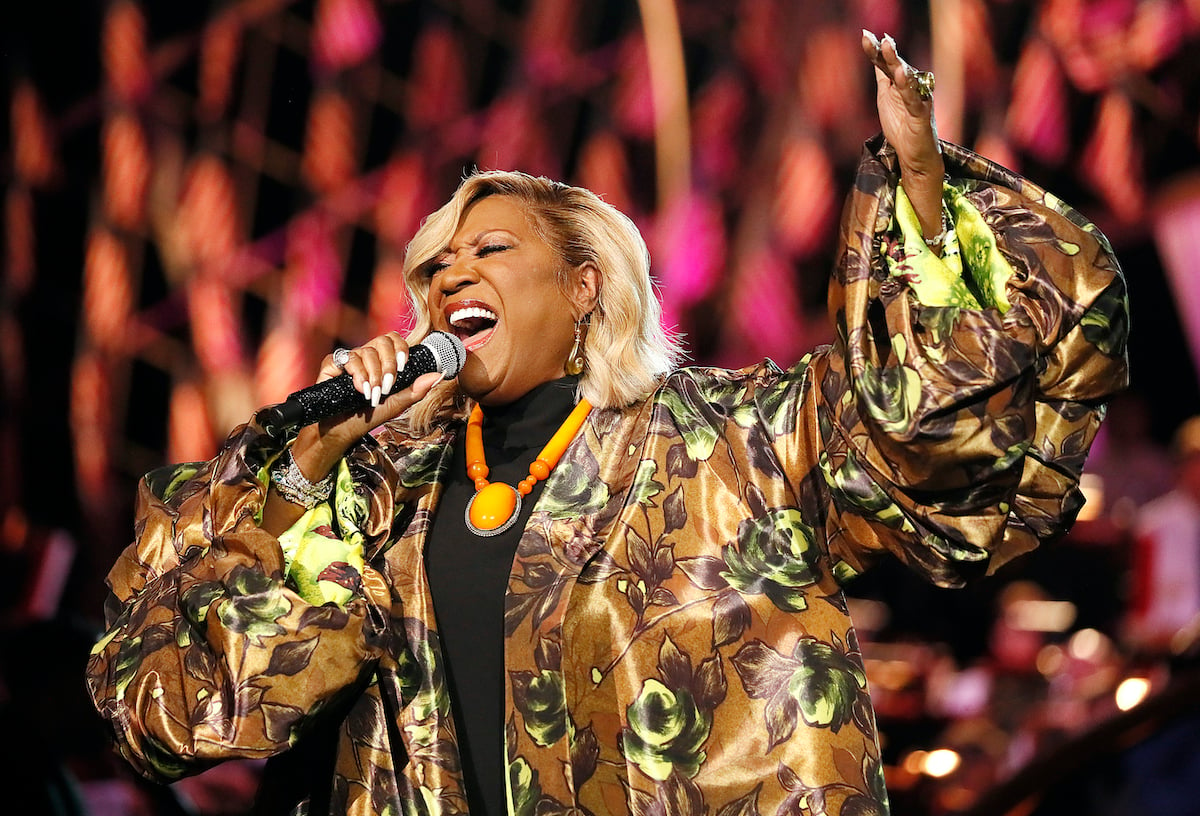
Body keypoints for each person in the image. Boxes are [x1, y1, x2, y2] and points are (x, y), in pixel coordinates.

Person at [86, 32, 1129, 816]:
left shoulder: (733, 442)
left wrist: (919, 190)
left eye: (489, 250)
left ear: (586, 287)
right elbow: (184, 711)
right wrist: (314, 462)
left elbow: (935, 430)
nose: (452, 272)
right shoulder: (381, 493)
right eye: (436, 265)